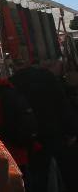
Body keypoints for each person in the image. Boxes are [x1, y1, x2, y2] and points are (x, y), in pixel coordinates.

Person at [10, 61, 78, 192]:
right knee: (68, 174)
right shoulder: (47, 76)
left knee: (40, 179)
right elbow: (62, 105)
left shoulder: (13, 83)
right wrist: (71, 130)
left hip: (34, 139)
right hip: (55, 133)